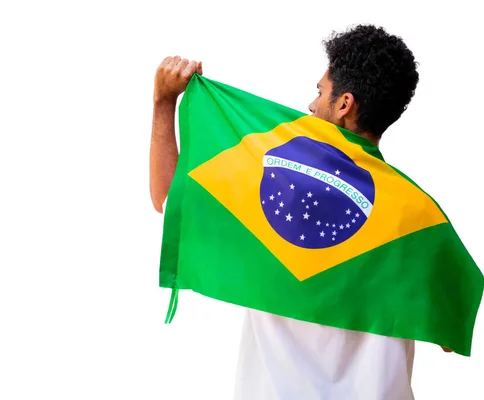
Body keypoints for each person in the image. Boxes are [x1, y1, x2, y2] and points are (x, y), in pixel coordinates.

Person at [150, 24, 450, 400]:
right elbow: (449, 330)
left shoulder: (272, 192)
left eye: (320, 92)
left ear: (344, 105)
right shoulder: (419, 218)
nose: (311, 105)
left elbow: (167, 198)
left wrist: (164, 102)